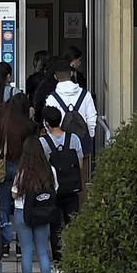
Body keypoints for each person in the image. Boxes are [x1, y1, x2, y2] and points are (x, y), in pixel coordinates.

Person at [12, 137, 60, 273]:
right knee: (42, 251)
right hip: (42, 213)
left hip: (22, 212)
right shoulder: (49, 170)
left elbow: (14, 193)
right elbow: (55, 189)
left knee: (26, 251)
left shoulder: (22, 171)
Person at [40, 107, 85, 264]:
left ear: (46, 123)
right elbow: (79, 164)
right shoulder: (73, 139)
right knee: (72, 222)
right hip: (71, 188)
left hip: (53, 190)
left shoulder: (43, 143)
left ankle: (58, 258)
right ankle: (75, 254)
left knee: (55, 225)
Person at [45, 59, 96, 158]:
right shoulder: (85, 95)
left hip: (59, 144)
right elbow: (91, 119)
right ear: (71, 73)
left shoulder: (52, 98)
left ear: (55, 77)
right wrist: (90, 137)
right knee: (81, 173)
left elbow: (48, 122)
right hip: (82, 140)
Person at [0, 93, 35, 193]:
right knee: (21, 200)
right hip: (23, 165)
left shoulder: (3, 123)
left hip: (5, 164)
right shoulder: (29, 126)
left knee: (4, 204)